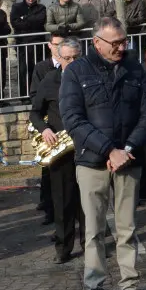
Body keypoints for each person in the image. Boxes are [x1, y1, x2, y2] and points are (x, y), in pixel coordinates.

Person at [59, 17, 146, 290]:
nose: (121, 47)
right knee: (94, 230)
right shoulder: (76, 71)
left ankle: (130, 289)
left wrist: (125, 149)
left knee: (127, 228)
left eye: (123, 41)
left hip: (128, 159)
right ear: (96, 41)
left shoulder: (135, 69)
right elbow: (72, 118)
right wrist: (108, 149)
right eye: (115, 42)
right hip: (91, 161)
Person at [30, 37, 85, 263]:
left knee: (88, 201)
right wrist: (43, 130)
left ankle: (91, 244)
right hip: (60, 149)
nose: (71, 62)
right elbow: (35, 112)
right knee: (62, 201)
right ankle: (64, 247)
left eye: (75, 58)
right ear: (58, 58)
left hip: (86, 146)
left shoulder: (89, 77)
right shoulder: (49, 80)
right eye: (67, 58)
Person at [30, 31, 66, 224]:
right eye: (56, 44)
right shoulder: (42, 68)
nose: (59, 48)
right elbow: (35, 96)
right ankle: (49, 209)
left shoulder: (73, 67)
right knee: (49, 171)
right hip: (49, 126)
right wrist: (44, 126)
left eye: (63, 44)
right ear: (49, 46)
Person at [10, 0, 48, 96]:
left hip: (38, 44)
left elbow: (40, 21)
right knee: (23, 70)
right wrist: (31, 20)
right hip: (22, 44)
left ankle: (37, 95)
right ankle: (24, 96)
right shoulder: (16, 7)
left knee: (38, 70)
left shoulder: (41, 8)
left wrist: (24, 18)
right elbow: (15, 23)